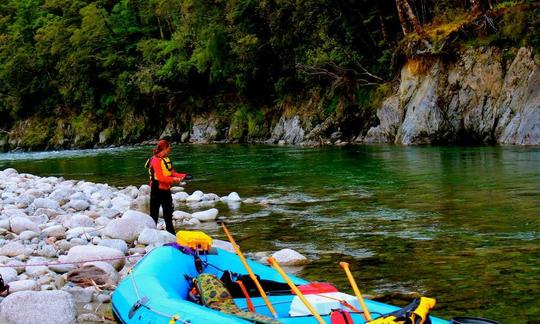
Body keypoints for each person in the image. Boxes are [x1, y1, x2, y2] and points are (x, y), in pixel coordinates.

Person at [146, 139, 189, 235]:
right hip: (156, 189)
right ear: (164, 148)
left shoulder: (166, 159)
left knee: (168, 213)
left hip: (166, 189)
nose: (170, 149)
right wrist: (174, 180)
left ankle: (171, 234)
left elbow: (173, 173)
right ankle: (151, 235)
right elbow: (160, 177)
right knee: (154, 214)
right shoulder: (156, 160)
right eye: (169, 147)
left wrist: (184, 175)